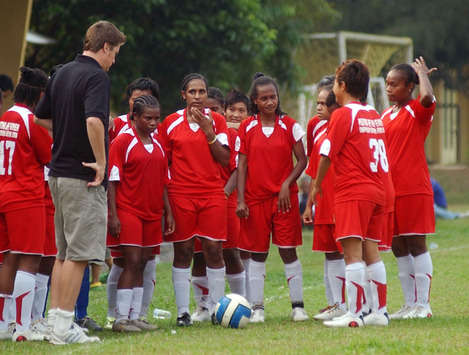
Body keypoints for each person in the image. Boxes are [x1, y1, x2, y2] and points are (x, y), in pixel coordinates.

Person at [34, 20, 126, 344]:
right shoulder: (97, 76)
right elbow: (93, 121)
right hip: (83, 176)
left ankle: (56, 321)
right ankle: (62, 328)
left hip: (57, 173)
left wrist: (65, 132)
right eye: (114, 52)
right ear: (104, 47)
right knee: (80, 255)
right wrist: (101, 163)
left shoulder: (62, 72)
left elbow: (40, 116)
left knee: (63, 253)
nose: (114, 60)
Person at [312, 60, 390, 328]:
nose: (334, 87)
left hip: (353, 191)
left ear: (343, 86)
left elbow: (326, 155)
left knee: (352, 255)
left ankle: (354, 315)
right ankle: (379, 312)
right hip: (377, 190)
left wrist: (315, 187)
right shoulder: (373, 114)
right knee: (372, 252)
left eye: (335, 82)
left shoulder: (344, 114)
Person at [159, 73, 230, 326]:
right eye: (193, 92)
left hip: (212, 192)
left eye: (202, 92)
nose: (198, 97)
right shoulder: (169, 123)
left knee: (213, 249)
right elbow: (163, 164)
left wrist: (209, 132)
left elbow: (225, 159)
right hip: (181, 194)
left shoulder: (218, 121)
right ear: (183, 95)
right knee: (184, 250)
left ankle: (217, 310)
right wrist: (166, 203)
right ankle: (182, 312)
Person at [236, 73, 308, 323]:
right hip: (255, 199)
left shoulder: (290, 125)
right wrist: (241, 199)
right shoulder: (247, 127)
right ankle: (257, 308)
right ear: (254, 101)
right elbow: (242, 165)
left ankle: (298, 306)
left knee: (288, 251)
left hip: (284, 200)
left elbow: (303, 160)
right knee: (257, 254)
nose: (270, 102)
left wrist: (287, 183)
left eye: (273, 97)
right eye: (264, 98)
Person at [107, 95, 173, 332]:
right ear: (135, 117)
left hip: (153, 213)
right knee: (132, 261)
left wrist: (168, 213)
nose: (154, 123)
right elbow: (112, 181)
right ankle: (121, 318)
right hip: (128, 211)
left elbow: (164, 181)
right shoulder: (122, 142)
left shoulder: (158, 144)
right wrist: (113, 215)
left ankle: (136, 316)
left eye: (157, 118)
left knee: (144, 262)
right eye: (148, 118)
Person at [382, 57, 436, 319]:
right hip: (391, 191)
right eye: (387, 84)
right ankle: (409, 303)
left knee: (416, 244)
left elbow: (428, 99)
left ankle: (423, 305)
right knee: (398, 247)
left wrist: (422, 74)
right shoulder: (385, 115)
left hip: (414, 188)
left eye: (395, 84)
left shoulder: (418, 109)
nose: (389, 88)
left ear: (410, 87)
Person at [0, 67, 51, 341]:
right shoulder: (33, 121)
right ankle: (22, 328)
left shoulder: (7, 116)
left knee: (8, 258)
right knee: (30, 260)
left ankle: (2, 323)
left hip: (4, 193)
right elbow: (49, 156)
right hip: (26, 197)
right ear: (40, 93)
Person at [191, 89, 249, 322]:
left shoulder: (231, 136)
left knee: (230, 252)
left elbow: (237, 168)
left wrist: (224, 193)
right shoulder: (197, 134)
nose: (212, 113)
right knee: (199, 254)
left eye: (215, 109)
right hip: (202, 199)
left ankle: (239, 304)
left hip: (226, 198)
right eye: (211, 109)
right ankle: (203, 307)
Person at [302, 80, 346, 321]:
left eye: (323, 103)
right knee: (329, 253)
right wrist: (309, 203)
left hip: (342, 199)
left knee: (346, 253)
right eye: (317, 103)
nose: (318, 108)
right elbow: (313, 168)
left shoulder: (345, 126)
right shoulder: (315, 126)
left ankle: (350, 303)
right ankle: (334, 304)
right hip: (323, 200)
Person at [109, 77, 160, 142]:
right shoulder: (116, 125)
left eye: (144, 100)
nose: (138, 104)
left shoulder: (160, 130)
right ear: (129, 100)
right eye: (135, 100)